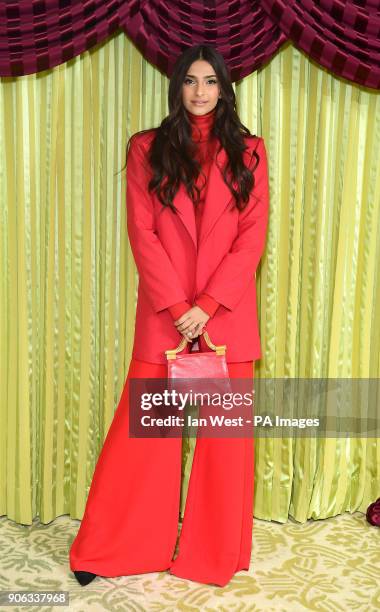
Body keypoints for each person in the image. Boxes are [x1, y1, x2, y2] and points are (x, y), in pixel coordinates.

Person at [69, 43, 269, 588]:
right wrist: (181, 309)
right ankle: (114, 547)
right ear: (176, 86)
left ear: (225, 90)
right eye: (190, 81)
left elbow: (252, 239)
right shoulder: (145, 148)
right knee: (144, 437)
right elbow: (144, 233)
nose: (200, 91)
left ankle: (212, 554)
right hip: (166, 317)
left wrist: (207, 307)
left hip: (225, 318)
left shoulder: (251, 152)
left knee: (224, 447)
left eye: (210, 82)